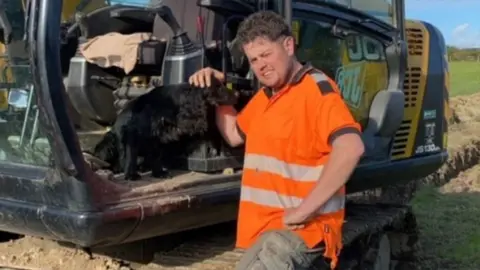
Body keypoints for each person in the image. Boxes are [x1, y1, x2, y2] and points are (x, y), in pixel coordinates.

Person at [188, 10, 365, 270]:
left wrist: (304, 211)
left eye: (267, 54)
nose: (261, 65)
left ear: (288, 45)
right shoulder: (266, 97)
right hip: (263, 231)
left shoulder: (316, 90)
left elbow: (351, 147)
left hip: (301, 231)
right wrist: (217, 91)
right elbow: (234, 135)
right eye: (254, 59)